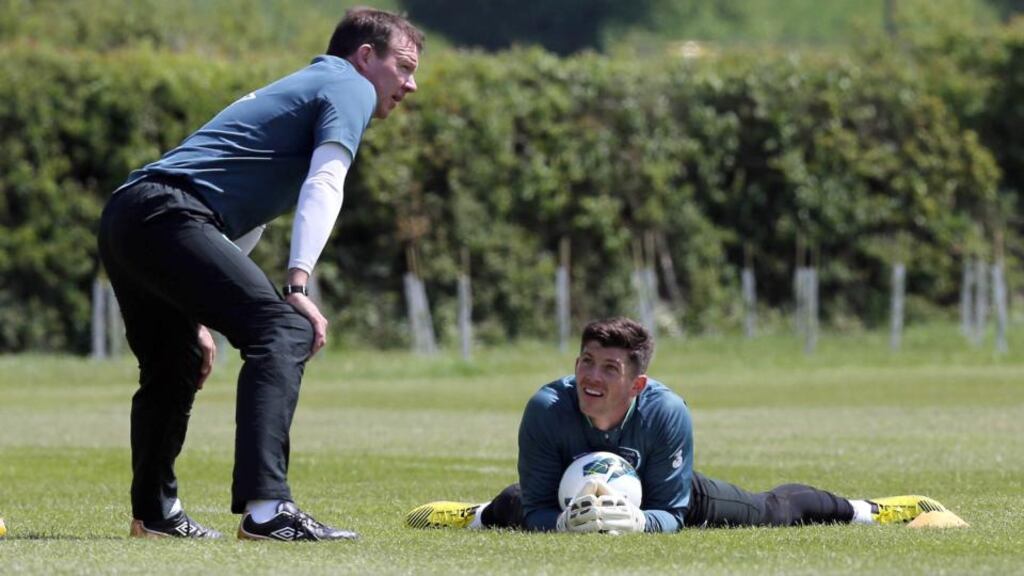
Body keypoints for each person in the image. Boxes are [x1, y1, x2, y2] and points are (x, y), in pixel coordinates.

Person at [98, 8, 423, 541]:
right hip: (171, 214)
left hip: (130, 214)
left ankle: (155, 516)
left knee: (175, 360)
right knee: (284, 328)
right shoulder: (349, 85)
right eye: (405, 66)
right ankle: (269, 510)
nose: (411, 85)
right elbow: (326, 181)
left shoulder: (307, 84)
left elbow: (236, 224)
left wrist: (196, 311)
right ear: (366, 56)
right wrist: (297, 287)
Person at [405, 317, 958, 533]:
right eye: (586, 362)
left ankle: (872, 509)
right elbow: (539, 505)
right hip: (561, 495)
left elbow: (671, 511)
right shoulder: (547, 409)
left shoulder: (667, 411)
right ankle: (469, 514)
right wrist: (562, 524)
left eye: (610, 368)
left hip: (665, 497)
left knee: (771, 511)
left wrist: (639, 525)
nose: (592, 377)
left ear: (637, 383)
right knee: (512, 507)